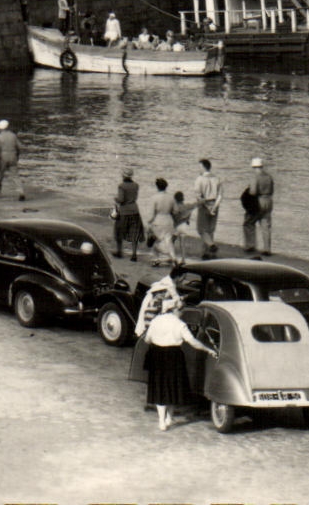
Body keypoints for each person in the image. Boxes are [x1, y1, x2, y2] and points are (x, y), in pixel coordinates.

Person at [139, 294, 210, 431]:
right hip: (174, 356)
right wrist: (208, 349)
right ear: (176, 310)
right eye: (181, 311)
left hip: (157, 355)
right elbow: (193, 342)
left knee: (160, 388)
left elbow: (147, 339)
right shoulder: (180, 324)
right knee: (173, 387)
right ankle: (169, 418)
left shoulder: (156, 321)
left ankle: (161, 421)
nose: (182, 314)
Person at [243, 157, 275, 258]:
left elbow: (253, 192)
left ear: (253, 167)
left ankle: (250, 246)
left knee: (249, 222)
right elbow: (272, 190)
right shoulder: (269, 177)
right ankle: (267, 249)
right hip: (269, 201)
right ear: (262, 166)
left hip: (258, 201)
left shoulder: (255, 177)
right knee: (266, 225)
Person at [191, 158, 222, 259]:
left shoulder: (199, 179)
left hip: (204, 204)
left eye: (199, 166)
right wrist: (214, 207)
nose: (198, 168)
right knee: (210, 229)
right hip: (215, 204)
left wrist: (206, 206)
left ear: (203, 167)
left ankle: (211, 246)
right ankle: (208, 253)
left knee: (201, 229)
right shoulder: (217, 179)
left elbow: (198, 196)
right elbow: (220, 195)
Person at [147, 178, 179, 267]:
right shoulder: (171, 197)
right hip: (168, 220)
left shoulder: (154, 197)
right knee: (168, 241)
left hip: (158, 220)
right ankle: (173, 258)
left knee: (156, 240)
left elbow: (152, 213)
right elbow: (176, 211)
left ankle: (155, 259)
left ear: (157, 187)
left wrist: (149, 222)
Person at [112, 168, 143, 260]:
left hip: (124, 211)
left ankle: (119, 252)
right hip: (135, 210)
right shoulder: (136, 185)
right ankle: (134, 254)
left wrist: (115, 199)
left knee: (119, 231)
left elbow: (121, 200)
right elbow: (135, 197)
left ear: (123, 176)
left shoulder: (121, 186)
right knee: (134, 233)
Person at [0, 119, 24, 200]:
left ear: (0, 128)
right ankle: (21, 191)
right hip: (13, 155)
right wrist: (17, 155)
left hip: (3, 156)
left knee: (0, 174)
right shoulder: (13, 135)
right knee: (15, 175)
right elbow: (19, 147)